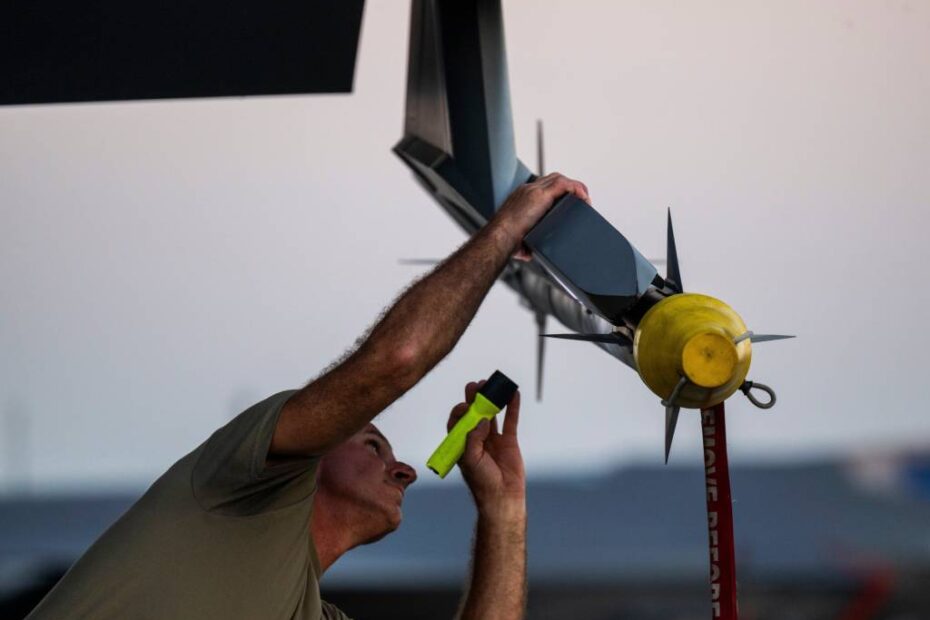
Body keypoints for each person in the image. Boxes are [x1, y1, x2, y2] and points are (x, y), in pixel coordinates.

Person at [26, 173, 591, 620]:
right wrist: (503, 231)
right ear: (309, 457)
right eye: (373, 444)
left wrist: (503, 511)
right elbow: (393, 363)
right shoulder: (241, 490)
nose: (406, 471)